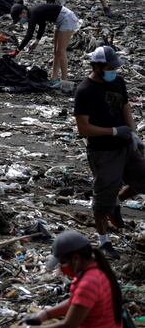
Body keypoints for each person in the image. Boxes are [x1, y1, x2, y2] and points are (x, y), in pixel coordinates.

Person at [73, 46, 145, 260]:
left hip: (125, 146)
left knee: (142, 179)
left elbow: (125, 106)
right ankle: (104, 241)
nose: (113, 70)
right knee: (102, 198)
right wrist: (114, 131)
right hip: (103, 152)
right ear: (97, 66)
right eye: (109, 67)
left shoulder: (118, 81)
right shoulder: (85, 91)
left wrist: (132, 133)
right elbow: (83, 129)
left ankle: (116, 203)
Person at [20, 230, 123, 328]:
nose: (61, 268)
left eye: (63, 262)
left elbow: (69, 325)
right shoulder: (96, 270)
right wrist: (45, 313)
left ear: (76, 259)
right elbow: (76, 302)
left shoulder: (88, 283)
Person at [10, 1, 79, 85]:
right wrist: (37, 41)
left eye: (19, 18)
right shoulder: (33, 13)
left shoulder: (32, 14)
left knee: (61, 51)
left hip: (67, 18)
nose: (20, 21)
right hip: (59, 20)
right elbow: (42, 25)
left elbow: (29, 35)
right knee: (56, 51)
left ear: (23, 12)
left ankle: (64, 82)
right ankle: (54, 78)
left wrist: (17, 51)